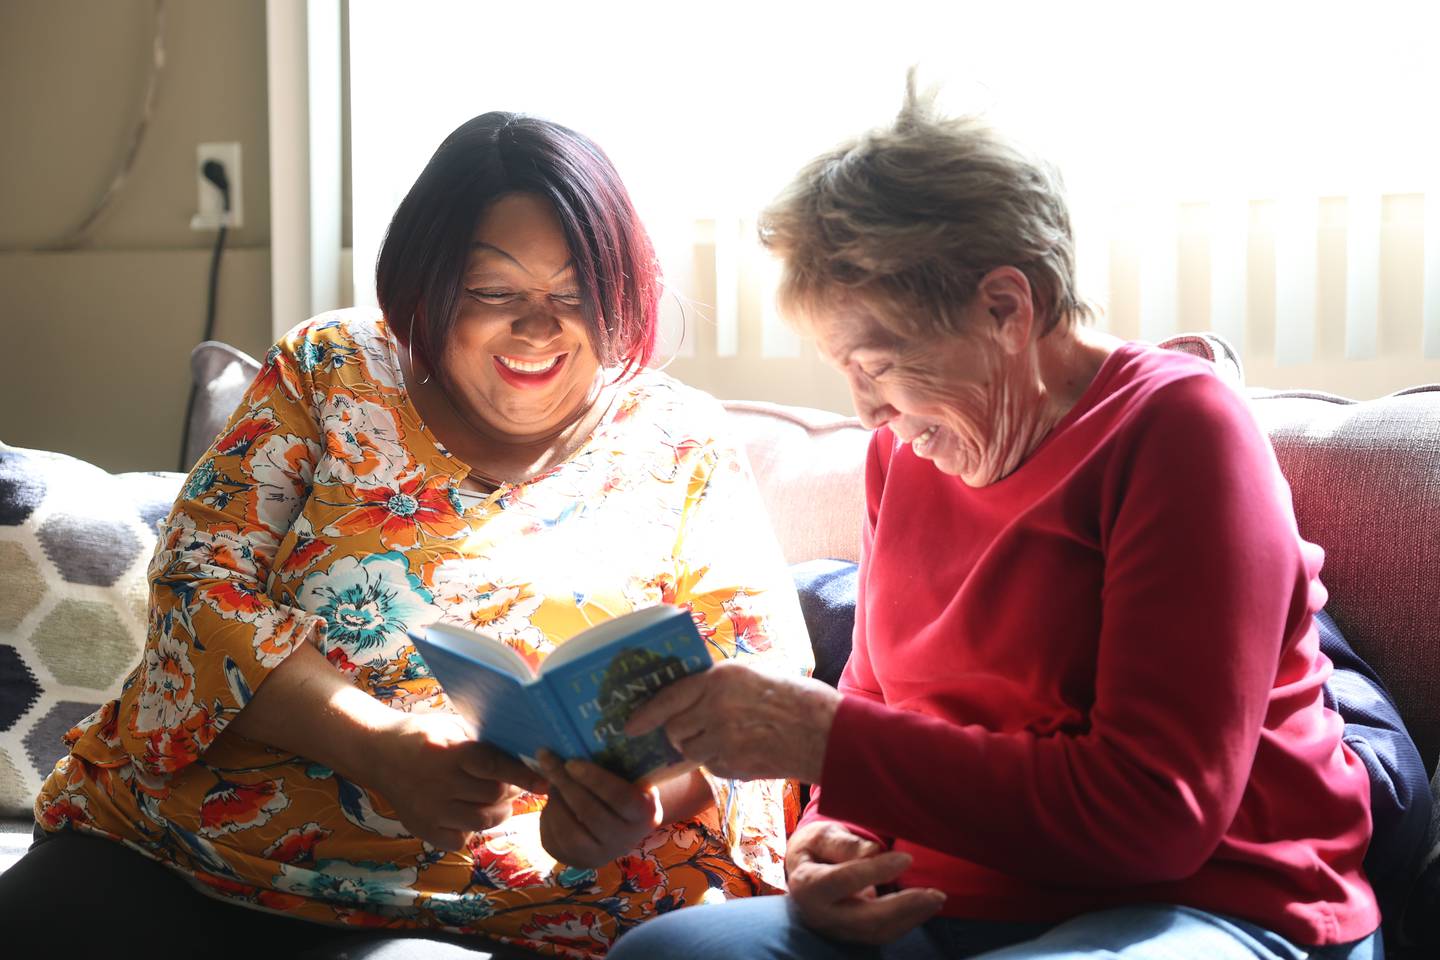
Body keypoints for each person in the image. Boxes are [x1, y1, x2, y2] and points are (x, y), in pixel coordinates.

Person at [0, 112, 810, 958]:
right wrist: (375, 745)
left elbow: (759, 680)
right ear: (426, 283)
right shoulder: (330, 370)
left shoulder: (681, 438)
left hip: (531, 901)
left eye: (575, 293)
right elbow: (198, 587)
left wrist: (643, 803)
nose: (539, 329)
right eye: (496, 292)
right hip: (194, 856)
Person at [606, 81, 1384, 960]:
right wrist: (829, 839)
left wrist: (829, 742)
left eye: (879, 364)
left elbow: (1158, 815)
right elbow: (874, 694)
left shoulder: (1178, 430)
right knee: (669, 954)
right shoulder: (905, 455)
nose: (867, 411)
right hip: (952, 897)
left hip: (1212, 896)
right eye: (844, 371)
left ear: (1005, 309)